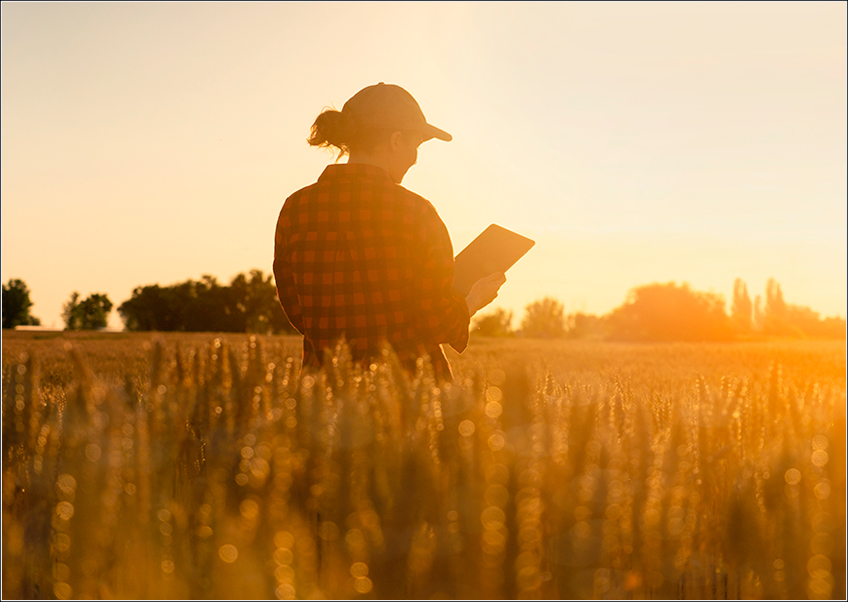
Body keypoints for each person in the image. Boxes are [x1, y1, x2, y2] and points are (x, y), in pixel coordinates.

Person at [273, 83, 505, 380]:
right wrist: (472, 301)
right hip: (408, 394)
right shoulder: (416, 213)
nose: (416, 158)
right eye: (416, 145)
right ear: (396, 139)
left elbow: (296, 310)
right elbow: (436, 321)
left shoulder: (295, 209)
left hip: (323, 395)